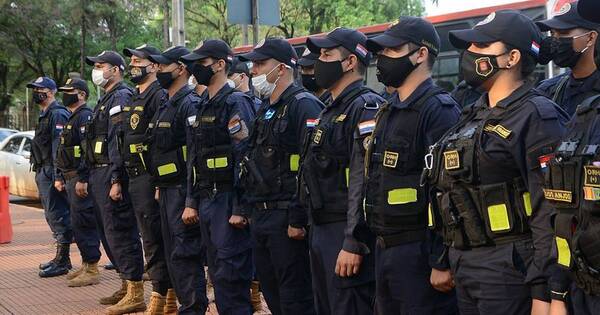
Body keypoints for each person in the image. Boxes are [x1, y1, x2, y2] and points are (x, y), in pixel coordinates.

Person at [421, 10, 570, 314]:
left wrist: (546, 293)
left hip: (512, 269)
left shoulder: (538, 117)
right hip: (465, 263)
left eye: (481, 46)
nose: (470, 53)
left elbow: (552, 212)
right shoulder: (471, 115)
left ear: (511, 57)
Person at [348, 17, 461, 314]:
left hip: (418, 253)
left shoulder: (439, 111)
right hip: (385, 248)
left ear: (421, 55)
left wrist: (441, 260)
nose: (382, 58)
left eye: (392, 50)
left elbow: (447, 190)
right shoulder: (388, 110)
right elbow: (373, 180)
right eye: (381, 51)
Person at [239, 38, 323, 315]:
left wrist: (298, 218)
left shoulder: (304, 105)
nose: (254, 70)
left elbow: (309, 166)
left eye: (261, 64)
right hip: (261, 215)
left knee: (295, 296)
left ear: (283, 68)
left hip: (287, 216)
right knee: (272, 291)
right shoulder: (266, 108)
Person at [301, 27, 381, 314]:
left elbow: (365, 178)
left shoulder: (365, 107)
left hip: (344, 231)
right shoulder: (328, 109)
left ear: (349, 62)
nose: (319, 62)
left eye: (326, 54)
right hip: (321, 228)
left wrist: (353, 240)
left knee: (348, 305)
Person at [180, 39, 256, 315]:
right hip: (207, 199)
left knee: (231, 274)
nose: (196, 69)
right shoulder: (202, 104)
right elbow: (195, 157)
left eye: (202, 63)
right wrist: (191, 199)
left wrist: (240, 207)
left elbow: (244, 156)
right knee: (217, 272)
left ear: (221, 64)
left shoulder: (235, 102)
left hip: (227, 200)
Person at [147, 46, 208, 315]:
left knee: (185, 254)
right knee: (172, 252)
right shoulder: (165, 103)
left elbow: (194, 155)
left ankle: (193, 308)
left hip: (183, 191)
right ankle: (185, 305)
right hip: (168, 189)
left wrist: (190, 200)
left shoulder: (189, 104)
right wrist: (160, 186)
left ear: (181, 69)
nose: (158, 71)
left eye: (163, 67)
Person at [84, 51, 145, 314]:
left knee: (120, 231)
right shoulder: (105, 98)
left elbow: (118, 142)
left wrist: (116, 178)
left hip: (111, 172)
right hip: (99, 173)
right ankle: (125, 282)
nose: (97, 70)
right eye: (95, 66)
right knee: (108, 232)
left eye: (101, 66)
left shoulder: (121, 96)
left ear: (116, 70)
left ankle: (135, 290)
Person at [122, 44, 177, 314]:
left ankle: (162, 293)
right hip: (133, 177)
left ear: (154, 66)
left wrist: (156, 181)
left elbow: (159, 144)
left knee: (156, 237)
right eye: (131, 61)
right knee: (148, 236)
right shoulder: (134, 96)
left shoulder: (158, 95)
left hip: (149, 177)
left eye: (138, 61)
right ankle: (164, 291)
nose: (133, 66)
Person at [55, 78, 102, 287]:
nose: (66, 94)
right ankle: (85, 263)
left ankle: (92, 268)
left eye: (70, 91)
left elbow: (87, 151)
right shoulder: (73, 117)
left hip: (80, 178)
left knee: (85, 221)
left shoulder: (85, 117)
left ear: (82, 94)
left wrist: (83, 178)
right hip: (70, 177)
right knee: (78, 223)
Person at [28, 76, 72, 278]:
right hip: (42, 170)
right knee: (51, 215)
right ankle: (60, 258)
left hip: (50, 171)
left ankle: (63, 261)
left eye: (40, 89)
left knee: (58, 214)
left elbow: (58, 149)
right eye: (35, 89)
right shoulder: (44, 114)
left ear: (51, 91)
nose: (36, 92)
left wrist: (58, 176)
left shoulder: (58, 114)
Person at [536, 1, 600, 117]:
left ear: (590, 38)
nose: (555, 40)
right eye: (552, 33)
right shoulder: (548, 90)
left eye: (563, 33)